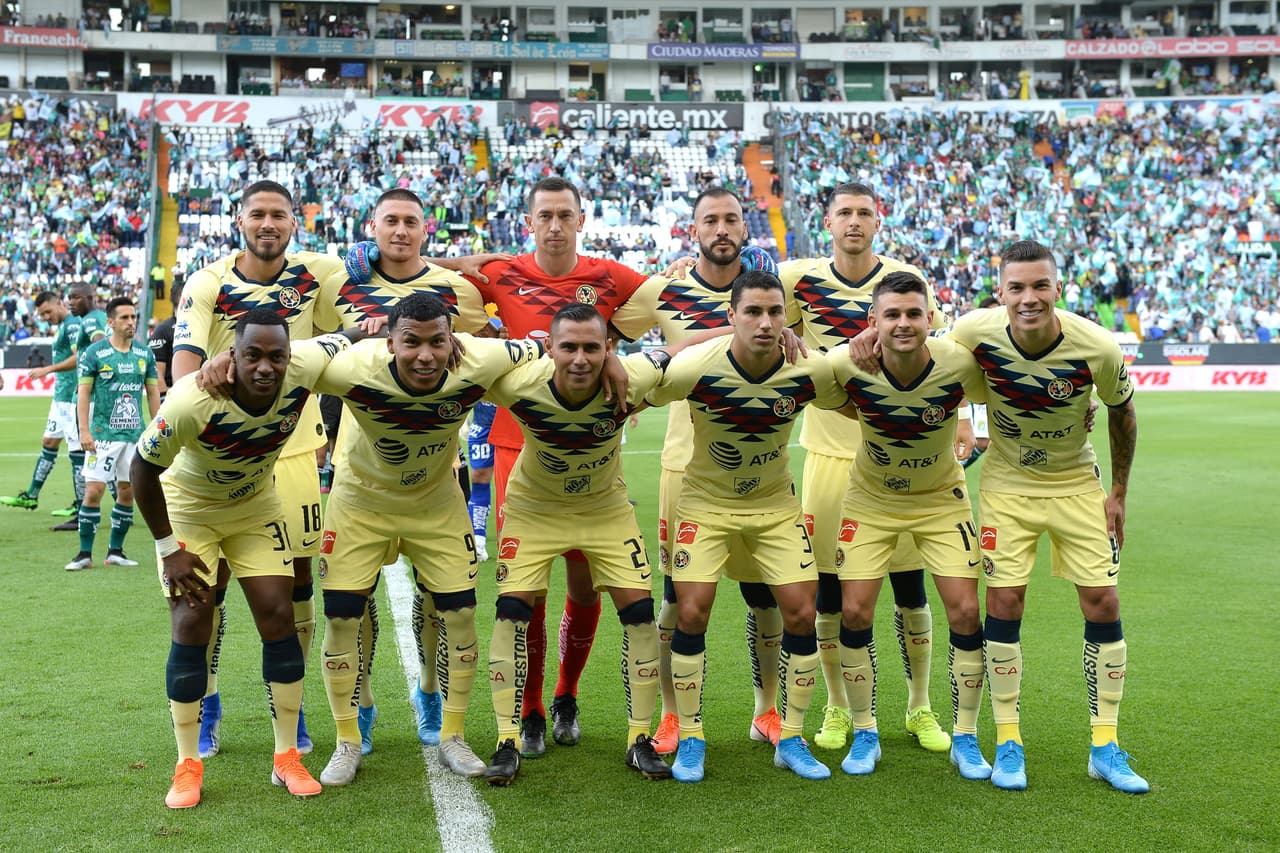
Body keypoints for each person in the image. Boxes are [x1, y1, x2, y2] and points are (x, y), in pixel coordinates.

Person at [131, 309, 356, 808]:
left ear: (290, 356)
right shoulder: (194, 398)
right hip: (190, 512)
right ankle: (187, 764)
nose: (265, 367)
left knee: (280, 615)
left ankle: (285, 757)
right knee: (193, 619)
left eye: (276, 356)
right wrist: (169, 549)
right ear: (232, 355)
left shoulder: (304, 367)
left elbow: (354, 334)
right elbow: (141, 469)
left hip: (255, 509)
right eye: (251, 355)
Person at [947, 239, 1146, 794]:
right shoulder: (973, 331)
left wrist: (1119, 493)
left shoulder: (1095, 346)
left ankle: (1104, 745)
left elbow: (1122, 412)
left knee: (1103, 600)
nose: (1029, 298)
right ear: (1000, 291)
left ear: (1058, 288)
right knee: (1005, 601)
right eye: (1017, 287)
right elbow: (930, 361)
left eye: (1040, 286)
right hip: (1008, 486)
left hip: (1076, 484)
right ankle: (1008, 740)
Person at [645, 270, 852, 782]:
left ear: (787, 317)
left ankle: (792, 736)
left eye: (774, 312)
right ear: (731, 316)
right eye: (753, 312)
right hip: (705, 504)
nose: (764, 322)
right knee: (690, 609)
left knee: (803, 613)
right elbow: (637, 385)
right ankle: (691, 736)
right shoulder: (696, 366)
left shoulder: (807, 369)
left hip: (774, 506)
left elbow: (856, 395)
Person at [171, 179, 353, 759]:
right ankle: (207, 706)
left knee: (295, 590)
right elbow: (185, 362)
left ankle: (288, 716)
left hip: (295, 448)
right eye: (257, 214)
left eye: (279, 215)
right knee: (210, 589)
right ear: (239, 220)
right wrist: (195, 382)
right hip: (223, 447)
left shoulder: (319, 274)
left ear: (294, 222)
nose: (268, 224)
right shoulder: (207, 281)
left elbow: (370, 299)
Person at [469, 176, 650, 758]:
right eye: (544, 214)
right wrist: (372, 254)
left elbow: (669, 305)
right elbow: (431, 272)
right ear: (529, 221)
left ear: (580, 219)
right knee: (528, 590)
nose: (554, 224)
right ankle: (531, 709)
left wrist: (616, 353)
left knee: (585, 578)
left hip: (588, 445)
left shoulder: (609, 277)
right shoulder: (499, 272)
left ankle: (567, 694)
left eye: (564, 214)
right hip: (514, 443)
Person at [781, 181, 964, 754]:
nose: (854, 222)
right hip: (831, 457)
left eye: (864, 213)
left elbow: (941, 349)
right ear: (827, 221)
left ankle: (919, 707)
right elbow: (748, 296)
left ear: (877, 221)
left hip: (902, 455)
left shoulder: (904, 277)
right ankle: (839, 708)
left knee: (911, 588)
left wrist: (963, 420)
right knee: (833, 596)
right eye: (844, 213)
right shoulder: (799, 279)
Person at [611, 187, 793, 753]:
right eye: (709, 220)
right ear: (693, 231)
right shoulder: (665, 289)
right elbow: (608, 336)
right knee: (678, 599)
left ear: (745, 228)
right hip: (684, 467)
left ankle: (768, 711)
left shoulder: (771, 289)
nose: (721, 229)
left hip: (762, 466)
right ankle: (671, 714)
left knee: (764, 595)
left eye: (731, 220)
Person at [479, 302, 677, 786]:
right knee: (512, 614)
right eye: (569, 347)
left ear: (609, 348)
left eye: (593, 347)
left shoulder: (631, 375)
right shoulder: (517, 384)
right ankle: (510, 736)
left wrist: (777, 335)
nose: (581, 359)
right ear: (550, 348)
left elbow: (687, 349)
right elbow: (456, 354)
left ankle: (637, 738)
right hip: (533, 510)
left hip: (604, 510)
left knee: (640, 615)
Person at [331, 186, 496, 755]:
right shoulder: (339, 281)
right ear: (370, 226)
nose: (400, 231)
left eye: (411, 222)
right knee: (356, 598)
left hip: (436, 467)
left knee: (440, 595)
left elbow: (485, 343)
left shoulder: (457, 289)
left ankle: (431, 691)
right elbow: (311, 348)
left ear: (426, 229)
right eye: (389, 221)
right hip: (362, 466)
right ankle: (365, 702)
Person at [824, 272, 990, 779]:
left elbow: (1005, 388)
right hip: (870, 500)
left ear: (930, 318)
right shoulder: (843, 363)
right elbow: (791, 380)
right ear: (872, 321)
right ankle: (864, 729)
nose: (903, 323)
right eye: (891, 314)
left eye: (913, 313)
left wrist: (1082, 404)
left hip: (941, 500)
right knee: (853, 610)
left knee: (964, 609)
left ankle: (965, 734)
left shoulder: (958, 363)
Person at [65, 297, 160, 571]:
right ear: (110, 322)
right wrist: (84, 430)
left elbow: (153, 393)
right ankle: (84, 554)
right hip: (102, 436)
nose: (131, 322)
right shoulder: (94, 354)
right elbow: (83, 393)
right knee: (93, 492)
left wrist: (157, 429)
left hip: (134, 438)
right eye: (125, 318)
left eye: (133, 317)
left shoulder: (145, 354)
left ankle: (115, 551)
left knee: (127, 492)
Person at [1, 287, 106, 524]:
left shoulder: (71, 325)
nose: (45, 317)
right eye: (42, 315)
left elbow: (79, 357)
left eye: (47, 311)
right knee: (50, 442)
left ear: (58, 302)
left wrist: (47, 369)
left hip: (72, 397)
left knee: (79, 450)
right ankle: (33, 494)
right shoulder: (66, 325)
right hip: (62, 397)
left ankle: (84, 507)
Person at [466, 319, 502, 563]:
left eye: (488, 327)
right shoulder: (470, 350)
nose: (482, 331)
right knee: (479, 476)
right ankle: (477, 539)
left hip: (510, 422)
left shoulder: (510, 351)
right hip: (483, 424)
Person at [149, 281, 183, 399]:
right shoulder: (163, 329)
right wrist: (166, 400)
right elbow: (156, 371)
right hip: (174, 395)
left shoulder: (201, 325)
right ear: (180, 297)